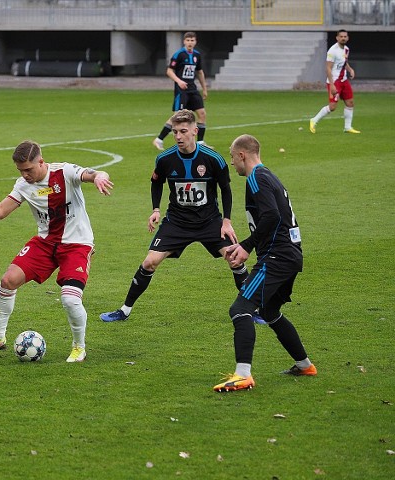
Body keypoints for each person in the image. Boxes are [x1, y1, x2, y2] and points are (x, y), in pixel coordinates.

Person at [0, 140, 114, 363]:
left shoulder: (64, 172)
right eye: (21, 170)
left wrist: (100, 175)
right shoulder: (23, 185)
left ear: (41, 162)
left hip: (77, 244)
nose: (25, 175)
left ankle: (79, 347)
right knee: (8, 280)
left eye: (28, 169)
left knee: (70, 299)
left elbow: (90, 173)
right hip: (45, 243)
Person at [100, 109, 248, 323]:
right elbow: (156, 183)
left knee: (235, 259)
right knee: (150, 262)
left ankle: (253, 310)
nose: (178, 136)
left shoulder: (214, 159)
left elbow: (226, 189)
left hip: (210, 222)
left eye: (183, 131)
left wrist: (226, 221)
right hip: (177, 223)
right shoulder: (165, 159)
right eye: (175, 132)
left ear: (195, 131)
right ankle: (124, 310)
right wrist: (156, 210)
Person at [214, 134, 317, 392]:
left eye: (231, 155)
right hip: (291, 254)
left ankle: (243, 374)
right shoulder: (269, 175)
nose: (231, 161)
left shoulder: (257, 178)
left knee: (240, 308)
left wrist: (246, 246)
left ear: (242, 155)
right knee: (270, 312)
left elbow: (270, 216)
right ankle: (304, 365)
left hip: (277, 257)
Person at [153, 32, 210, 151]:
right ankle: (159, 139)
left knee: (202, 113)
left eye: (192, 40)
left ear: (195, 42)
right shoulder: (179, 54)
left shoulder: (197, 55)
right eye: (188, 40)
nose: (190, 42)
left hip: (193, 89)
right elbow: (169, 71)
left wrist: (204, 88)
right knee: (178, 116)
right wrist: (179, 81)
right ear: (184, 41)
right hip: (181, 90)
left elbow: (199, 72)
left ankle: (200, 142)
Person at [309, 29, 360, 134]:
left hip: (344, 80)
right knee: (332, 107)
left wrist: (350, 70)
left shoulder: (346, 49)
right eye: (341, 36)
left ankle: (347, 127)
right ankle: (314, 120)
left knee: (350, 103)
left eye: (345, 36)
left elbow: (344, 62)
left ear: (348, 38)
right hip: (335, 81)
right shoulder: (333, 51)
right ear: (337, 38)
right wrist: (332, 85)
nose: (343, 38)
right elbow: (328, 68)